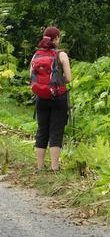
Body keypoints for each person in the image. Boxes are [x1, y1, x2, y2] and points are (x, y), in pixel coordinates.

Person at [30, 27, 71, 172]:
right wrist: (58, 82)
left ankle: (39, 167)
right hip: (58, 97)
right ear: (57, 39)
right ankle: (54, 168)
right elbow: (69, 78)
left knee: (42, 131)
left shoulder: (36, 56)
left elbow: (32, 78)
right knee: (56, 131)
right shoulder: (61, 55)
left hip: (41, 97)